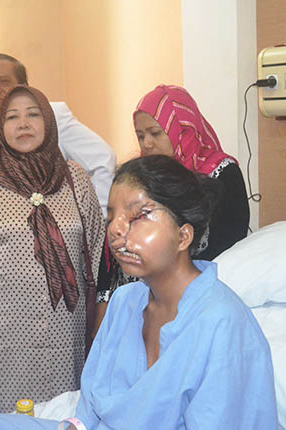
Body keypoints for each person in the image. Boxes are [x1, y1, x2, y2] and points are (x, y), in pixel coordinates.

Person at [68, 155, 276, 428]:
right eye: (111, 218)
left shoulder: (222, 323)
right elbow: (89, 408)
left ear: (183, 236)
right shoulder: (124, 302)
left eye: (137, 216)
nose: (115, 229)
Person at [0, 85, 104, 413]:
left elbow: (95, 248)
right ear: (1, 127)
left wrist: (98, 316)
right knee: (6, 416)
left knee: (61, 412)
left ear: (48, 121)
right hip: (2, 331)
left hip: (65, 328)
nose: (23, 124)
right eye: (12, 117)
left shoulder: (75, 179)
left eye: (33, 114)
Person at [96, 85, 251, 311]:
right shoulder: (139, 177)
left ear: (183, 129)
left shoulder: (220, 173)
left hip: (193, 299)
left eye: (155, 133)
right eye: (140, 136)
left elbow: (229, 241)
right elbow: (112, 243)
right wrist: (103, 304)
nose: (147, 144)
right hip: (132, 302)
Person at [0, 53, 115, 216]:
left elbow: (103, 159)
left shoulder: (51, 117)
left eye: (4, 81)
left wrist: (97, 219)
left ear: (23, 87)